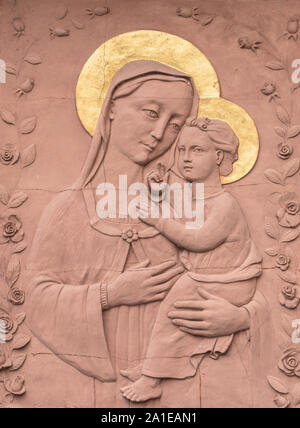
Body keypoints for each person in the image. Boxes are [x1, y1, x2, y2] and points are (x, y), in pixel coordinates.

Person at [25, 61, 270, 408]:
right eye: (151, 113)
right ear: (111, 108)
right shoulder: (69, 207)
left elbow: (245, 277)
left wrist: (239, 318)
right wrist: (111, 294)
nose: (160, 133)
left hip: (193, 386)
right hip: (100, 390)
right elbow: (34, 300)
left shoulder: (189, 203)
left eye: (175, 126)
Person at [120, 117, 262, 402]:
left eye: (196, 150)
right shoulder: (193, 195)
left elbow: (198, 240)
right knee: (170, 308)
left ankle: (152, 379)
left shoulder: (225, 204)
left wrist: (157, 219)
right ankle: (155, 362)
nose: (185, 158)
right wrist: (158, 189)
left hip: (230, 282)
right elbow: (180, 210)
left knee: (172, 311)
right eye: (181, 150)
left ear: (218, 156)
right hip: (206, 276)